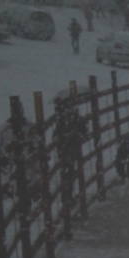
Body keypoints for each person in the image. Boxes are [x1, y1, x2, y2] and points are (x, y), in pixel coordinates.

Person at [52, 95, 89, 224]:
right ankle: (68, 201)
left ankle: (68, 201)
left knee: (69, 175)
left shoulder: (67, 119)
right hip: (69, 151)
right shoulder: (67, 119)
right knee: (69, 175)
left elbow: (84, 134)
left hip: (69, 151)